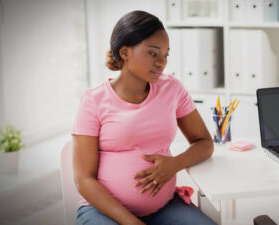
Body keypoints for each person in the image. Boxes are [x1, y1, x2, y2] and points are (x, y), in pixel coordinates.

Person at [72, 10, 217, 225]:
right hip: (103, 212)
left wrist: (174, 164)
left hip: (164, 207)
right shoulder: (93, 101)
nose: (161, 63)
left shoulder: (172, 89)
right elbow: (84, 180)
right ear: (124, 52)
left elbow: (205, 143)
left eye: (166, 55)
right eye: (153, 53)